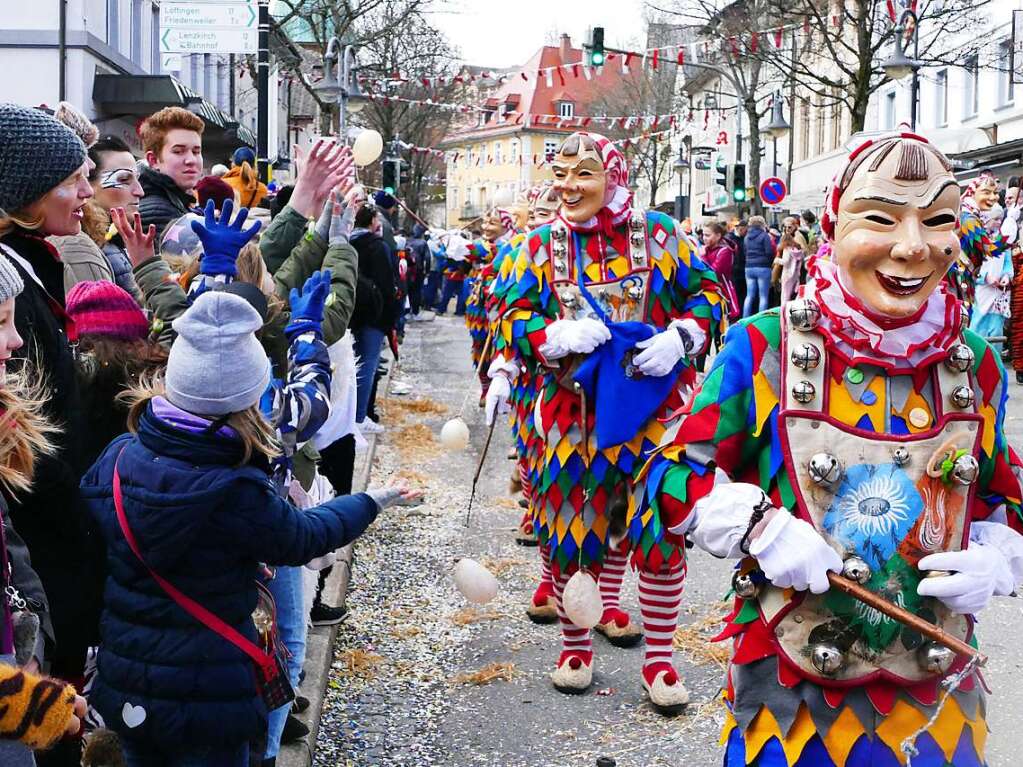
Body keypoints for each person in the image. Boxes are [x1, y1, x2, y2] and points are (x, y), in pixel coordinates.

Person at [639, 133, 1023, 765]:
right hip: (792, 698)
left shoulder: (974, 364)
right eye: (880, 217)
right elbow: (670, 473)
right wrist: (757, 527)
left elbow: (1002, 498)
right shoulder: (762, 346)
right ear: (831, 223)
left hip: (934, 692)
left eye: (938, 220)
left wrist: (997, 555)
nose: (912, 246)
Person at [79, 289, 415, 766]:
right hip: (209, 697)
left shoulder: (117, 460)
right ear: (247, 398)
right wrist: (369, 501)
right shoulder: (236, 492)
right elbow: (305, 536)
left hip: (127, 681)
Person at [488, 132, 723, 711]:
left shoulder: (661, 234)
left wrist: (682, 336)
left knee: (657, 530)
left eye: (583, 174)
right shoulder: (537, 245)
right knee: (570, 529)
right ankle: (575, 647)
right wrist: (550, 335)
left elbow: (711, 293)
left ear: (613, 178)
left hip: (655, 415)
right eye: (560, 174)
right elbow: (508, 314)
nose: (568, 186)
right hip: (570, 415)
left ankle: (661, 661)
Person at [0, 106, 107, 739]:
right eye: (73, 178)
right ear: (27, 193)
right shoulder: (12, 279)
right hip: (46, 549)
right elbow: (32, 446)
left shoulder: (36, 263)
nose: (88, 192)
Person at [349, 205, 398, 435]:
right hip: (374, 315)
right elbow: (388, 285)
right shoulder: (377, 247)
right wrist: (391, 319)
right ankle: (359, 416)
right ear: (372, 222)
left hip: (351, 312)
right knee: (367, 365)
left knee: (352, 365)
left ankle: (354, 415)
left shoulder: (347, 242)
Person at [84, 136, 146, 303]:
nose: (140, 191)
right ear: (87, 185)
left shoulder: (116, 243)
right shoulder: (91, 249)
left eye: (137, 179)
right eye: (124, 179)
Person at [138, 107, 203, 239]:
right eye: (178, 151)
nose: (191, 160)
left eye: (196, 152)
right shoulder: (158, 213)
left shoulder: (176, 203)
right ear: (153, 160)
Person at [700, 221, 739, 321]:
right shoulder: (705, 249)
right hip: (708, 291)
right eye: (703, 234)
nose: (704, 238)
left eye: (708, 235)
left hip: (723, 293)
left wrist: (702, 256)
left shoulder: (725, 251)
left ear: (718, 236)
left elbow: (713, 272)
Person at [742, 215, 774, 317]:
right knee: (763, 296)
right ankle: (761, 319)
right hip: (763, 267)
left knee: (749, 295)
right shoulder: (764, 236)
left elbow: (744, 251)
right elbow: (769, 252)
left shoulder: (746, 237)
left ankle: (744, 318)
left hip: (749, 267)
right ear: (762, 224)